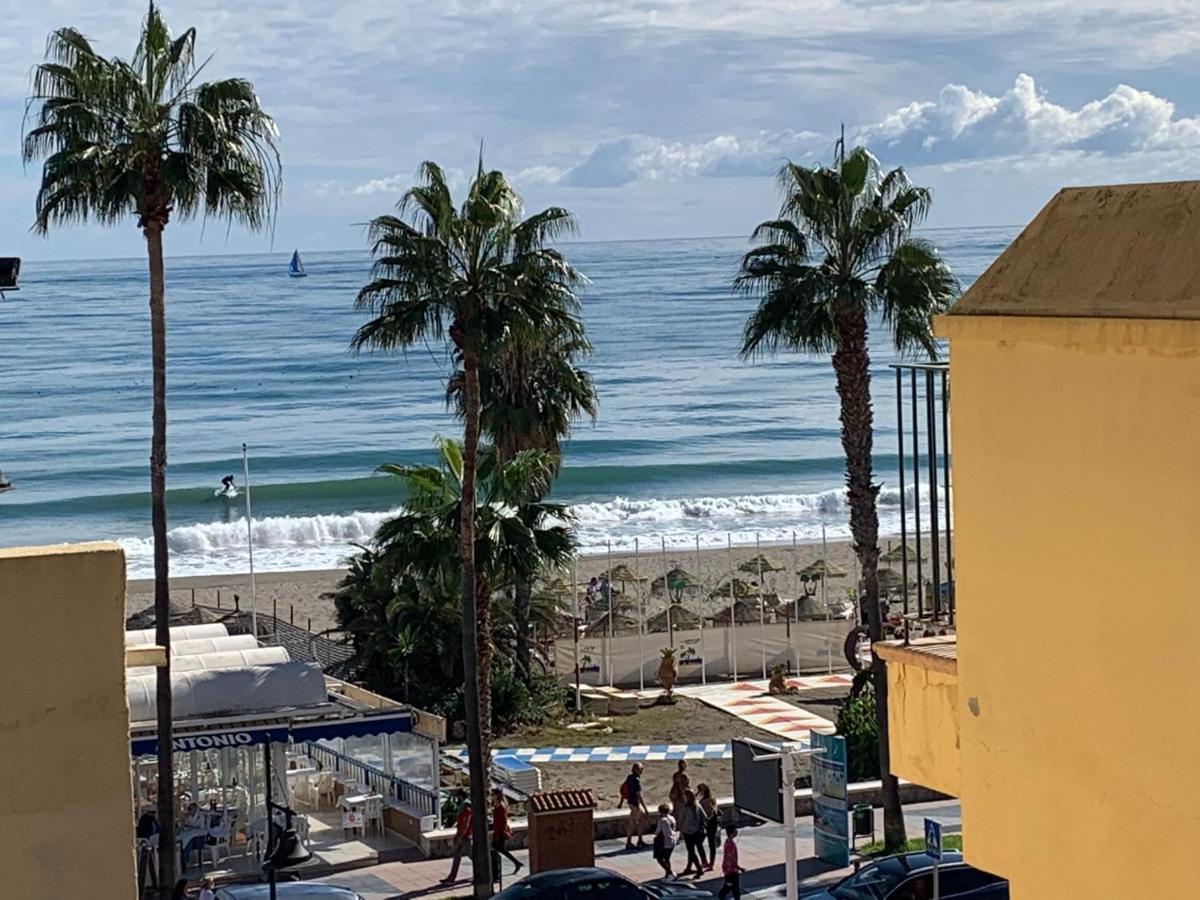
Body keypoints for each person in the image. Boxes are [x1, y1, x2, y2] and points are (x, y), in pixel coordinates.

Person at [441, 792, 472, 884]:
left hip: (464, 838)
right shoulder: (463, 809)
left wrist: (458, 837)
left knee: (473, 857)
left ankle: (482, 874)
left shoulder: (466, 809)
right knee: (457, 857)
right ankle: (451, 877)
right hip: (461, 836)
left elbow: (464, 826)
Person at [490, 788, 522, 876]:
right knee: (499, 849)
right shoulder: (498, 805)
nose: (491, 797)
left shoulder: (500, 806)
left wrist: (500, 832)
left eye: (493, 795)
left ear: (497, 795)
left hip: (500, 832)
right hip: (498, 831)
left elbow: (503, 821)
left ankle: (515, 863)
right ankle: (516, 862)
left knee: (498, 848)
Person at [677, 789, 708, 876]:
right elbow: (704, 816)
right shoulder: (697, 805)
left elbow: (681, 820)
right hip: (697, 831)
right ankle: (689, 867)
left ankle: (698, 869)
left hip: (688, 832)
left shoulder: (685, 807)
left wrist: (681, 829)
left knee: (691, 851)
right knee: (692, 850)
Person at [621, 762, 649, 849]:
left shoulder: (629, 778)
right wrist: (645, 808)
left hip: (631, 803)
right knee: (633, 823)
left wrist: (621, 802)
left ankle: (639, 839)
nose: (642, 771)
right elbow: (638, 796)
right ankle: (629, 842)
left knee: (640, 819)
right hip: (635, 804)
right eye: (641, 769)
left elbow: (623, 789)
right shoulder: (636, 780)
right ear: (637, 770)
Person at [718, 825, 746, 900]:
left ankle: (724, 895)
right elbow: (731, 858)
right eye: (735, 831)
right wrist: (738, 867)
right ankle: (721, 894)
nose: (736, 832)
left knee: (734, 888)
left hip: (730, 869)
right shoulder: (730, 844)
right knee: (731, 886)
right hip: (731, 870)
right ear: (731, 833)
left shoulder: (728, 842)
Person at [697, 783, 720, 870]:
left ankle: (707, 862)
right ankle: (708, 863)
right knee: (709, 844)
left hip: (708, 823)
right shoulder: (711, 800)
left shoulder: (703, 802)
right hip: (711, 823)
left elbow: (712, 812)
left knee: (708, 843)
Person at [653, 803, 677, 879]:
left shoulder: (663, 820)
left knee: (660, 859)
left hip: (665, 842)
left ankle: (670, 872)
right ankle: (668, 875)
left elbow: (658, 831)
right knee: (667, 858)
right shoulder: (672, 818)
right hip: (673, 840)